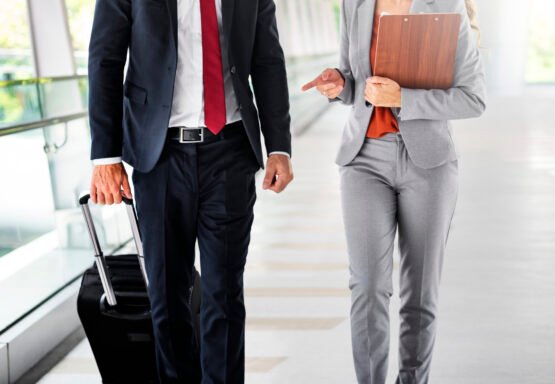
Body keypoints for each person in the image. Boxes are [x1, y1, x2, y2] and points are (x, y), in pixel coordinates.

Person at [87, 0, 294, 382]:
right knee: (167, 296)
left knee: (224, 295)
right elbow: (105, 57)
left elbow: (267, 59)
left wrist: (278, 146)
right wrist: (105, 156)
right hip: (160, 154)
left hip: (230, 150)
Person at [302, 0, 486, 383]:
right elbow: (353, 83)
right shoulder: (354, 4)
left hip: (429, 163)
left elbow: (473, 97)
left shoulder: (446, 6)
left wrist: (405, 99)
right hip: (363, 158)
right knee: (367, 288)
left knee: (419, 293)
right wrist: (338, 85)